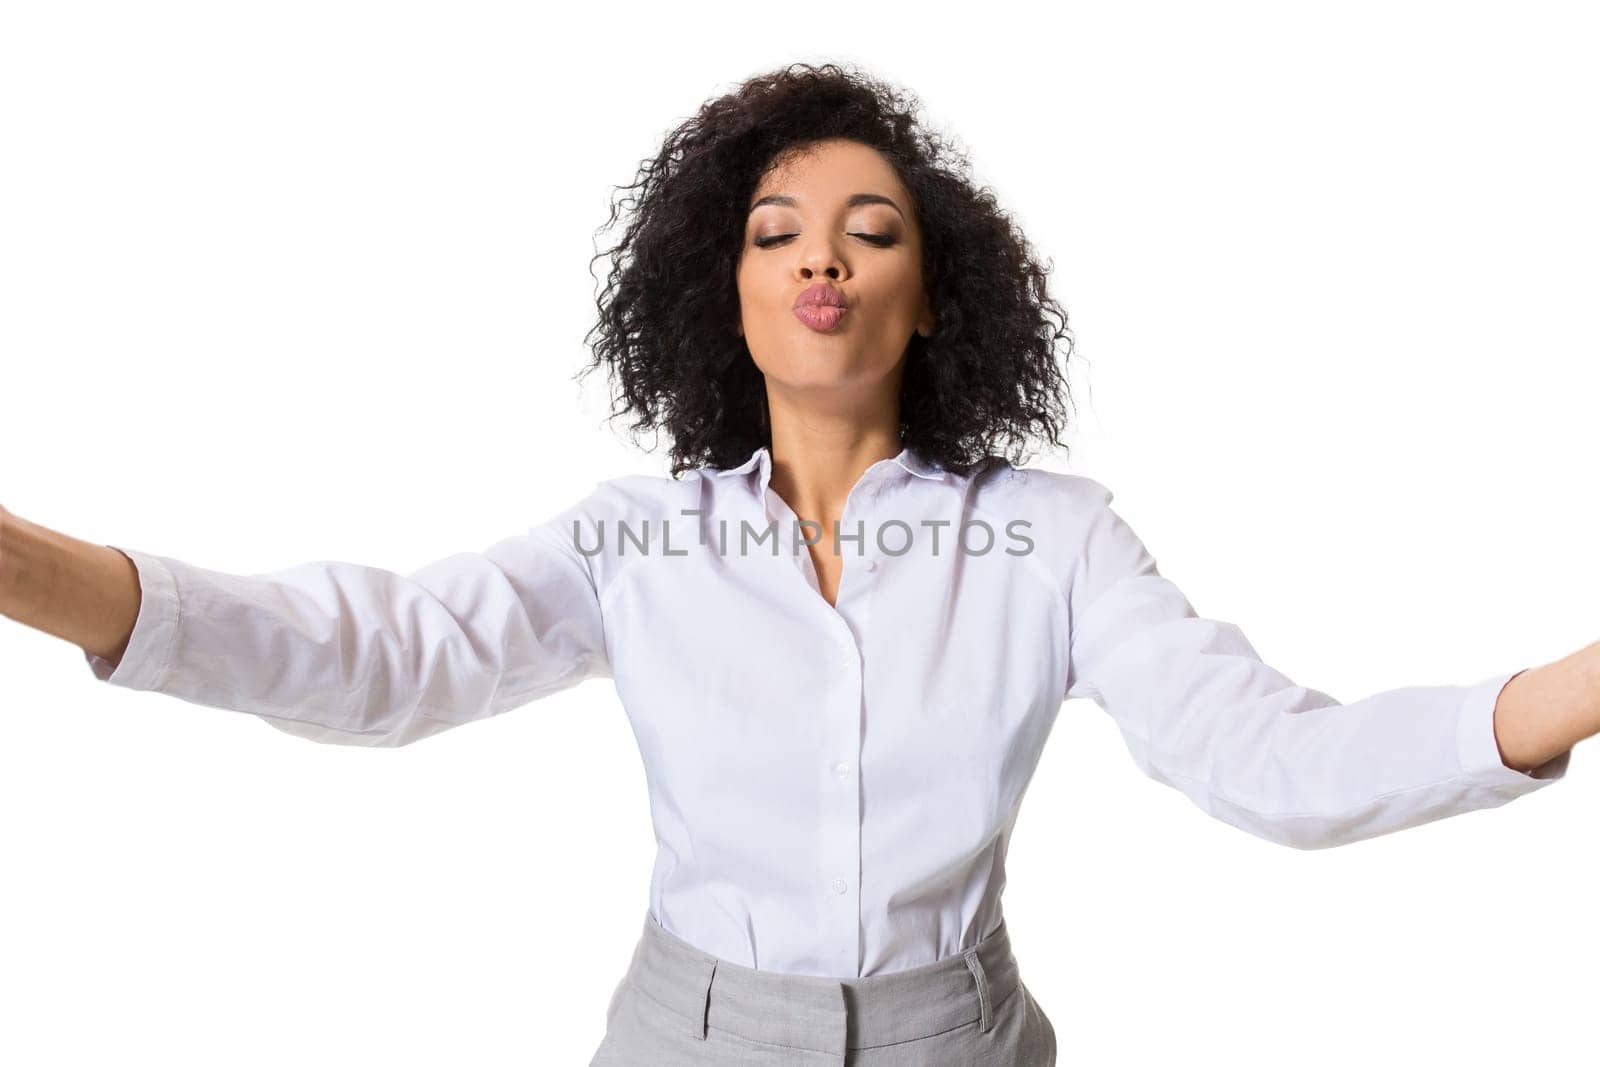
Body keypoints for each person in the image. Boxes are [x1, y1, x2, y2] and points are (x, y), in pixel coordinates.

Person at [0, 61, 1586, 1065]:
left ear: (936, 295)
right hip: (687, 1038)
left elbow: (1274, 762)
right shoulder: (640, 539)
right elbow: (372, 654)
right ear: (731, 294)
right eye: (775, 231)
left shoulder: (1049, 540)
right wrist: (22, 564)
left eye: (871, 227)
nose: (821, 253)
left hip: (960, 1042)